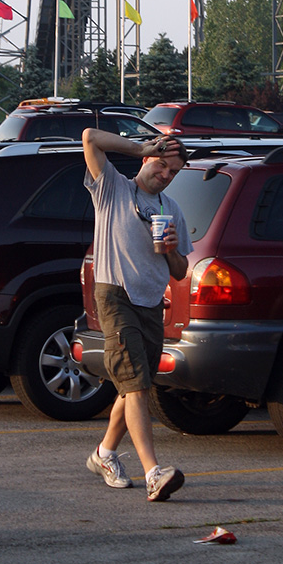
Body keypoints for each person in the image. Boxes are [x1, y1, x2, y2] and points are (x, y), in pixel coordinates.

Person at [82, 127, 193, 502]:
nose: (165, 175)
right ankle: (153, 472)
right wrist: (139, 146)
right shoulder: (112, 188)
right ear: (147, 159)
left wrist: (173, 250)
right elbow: (89, 138)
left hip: (150, 304)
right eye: (161, 165)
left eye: (173, 172)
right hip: (115, 296)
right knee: (136, 386)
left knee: (133, 387)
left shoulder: (169, 208)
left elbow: (179, 272)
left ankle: (104, 454)